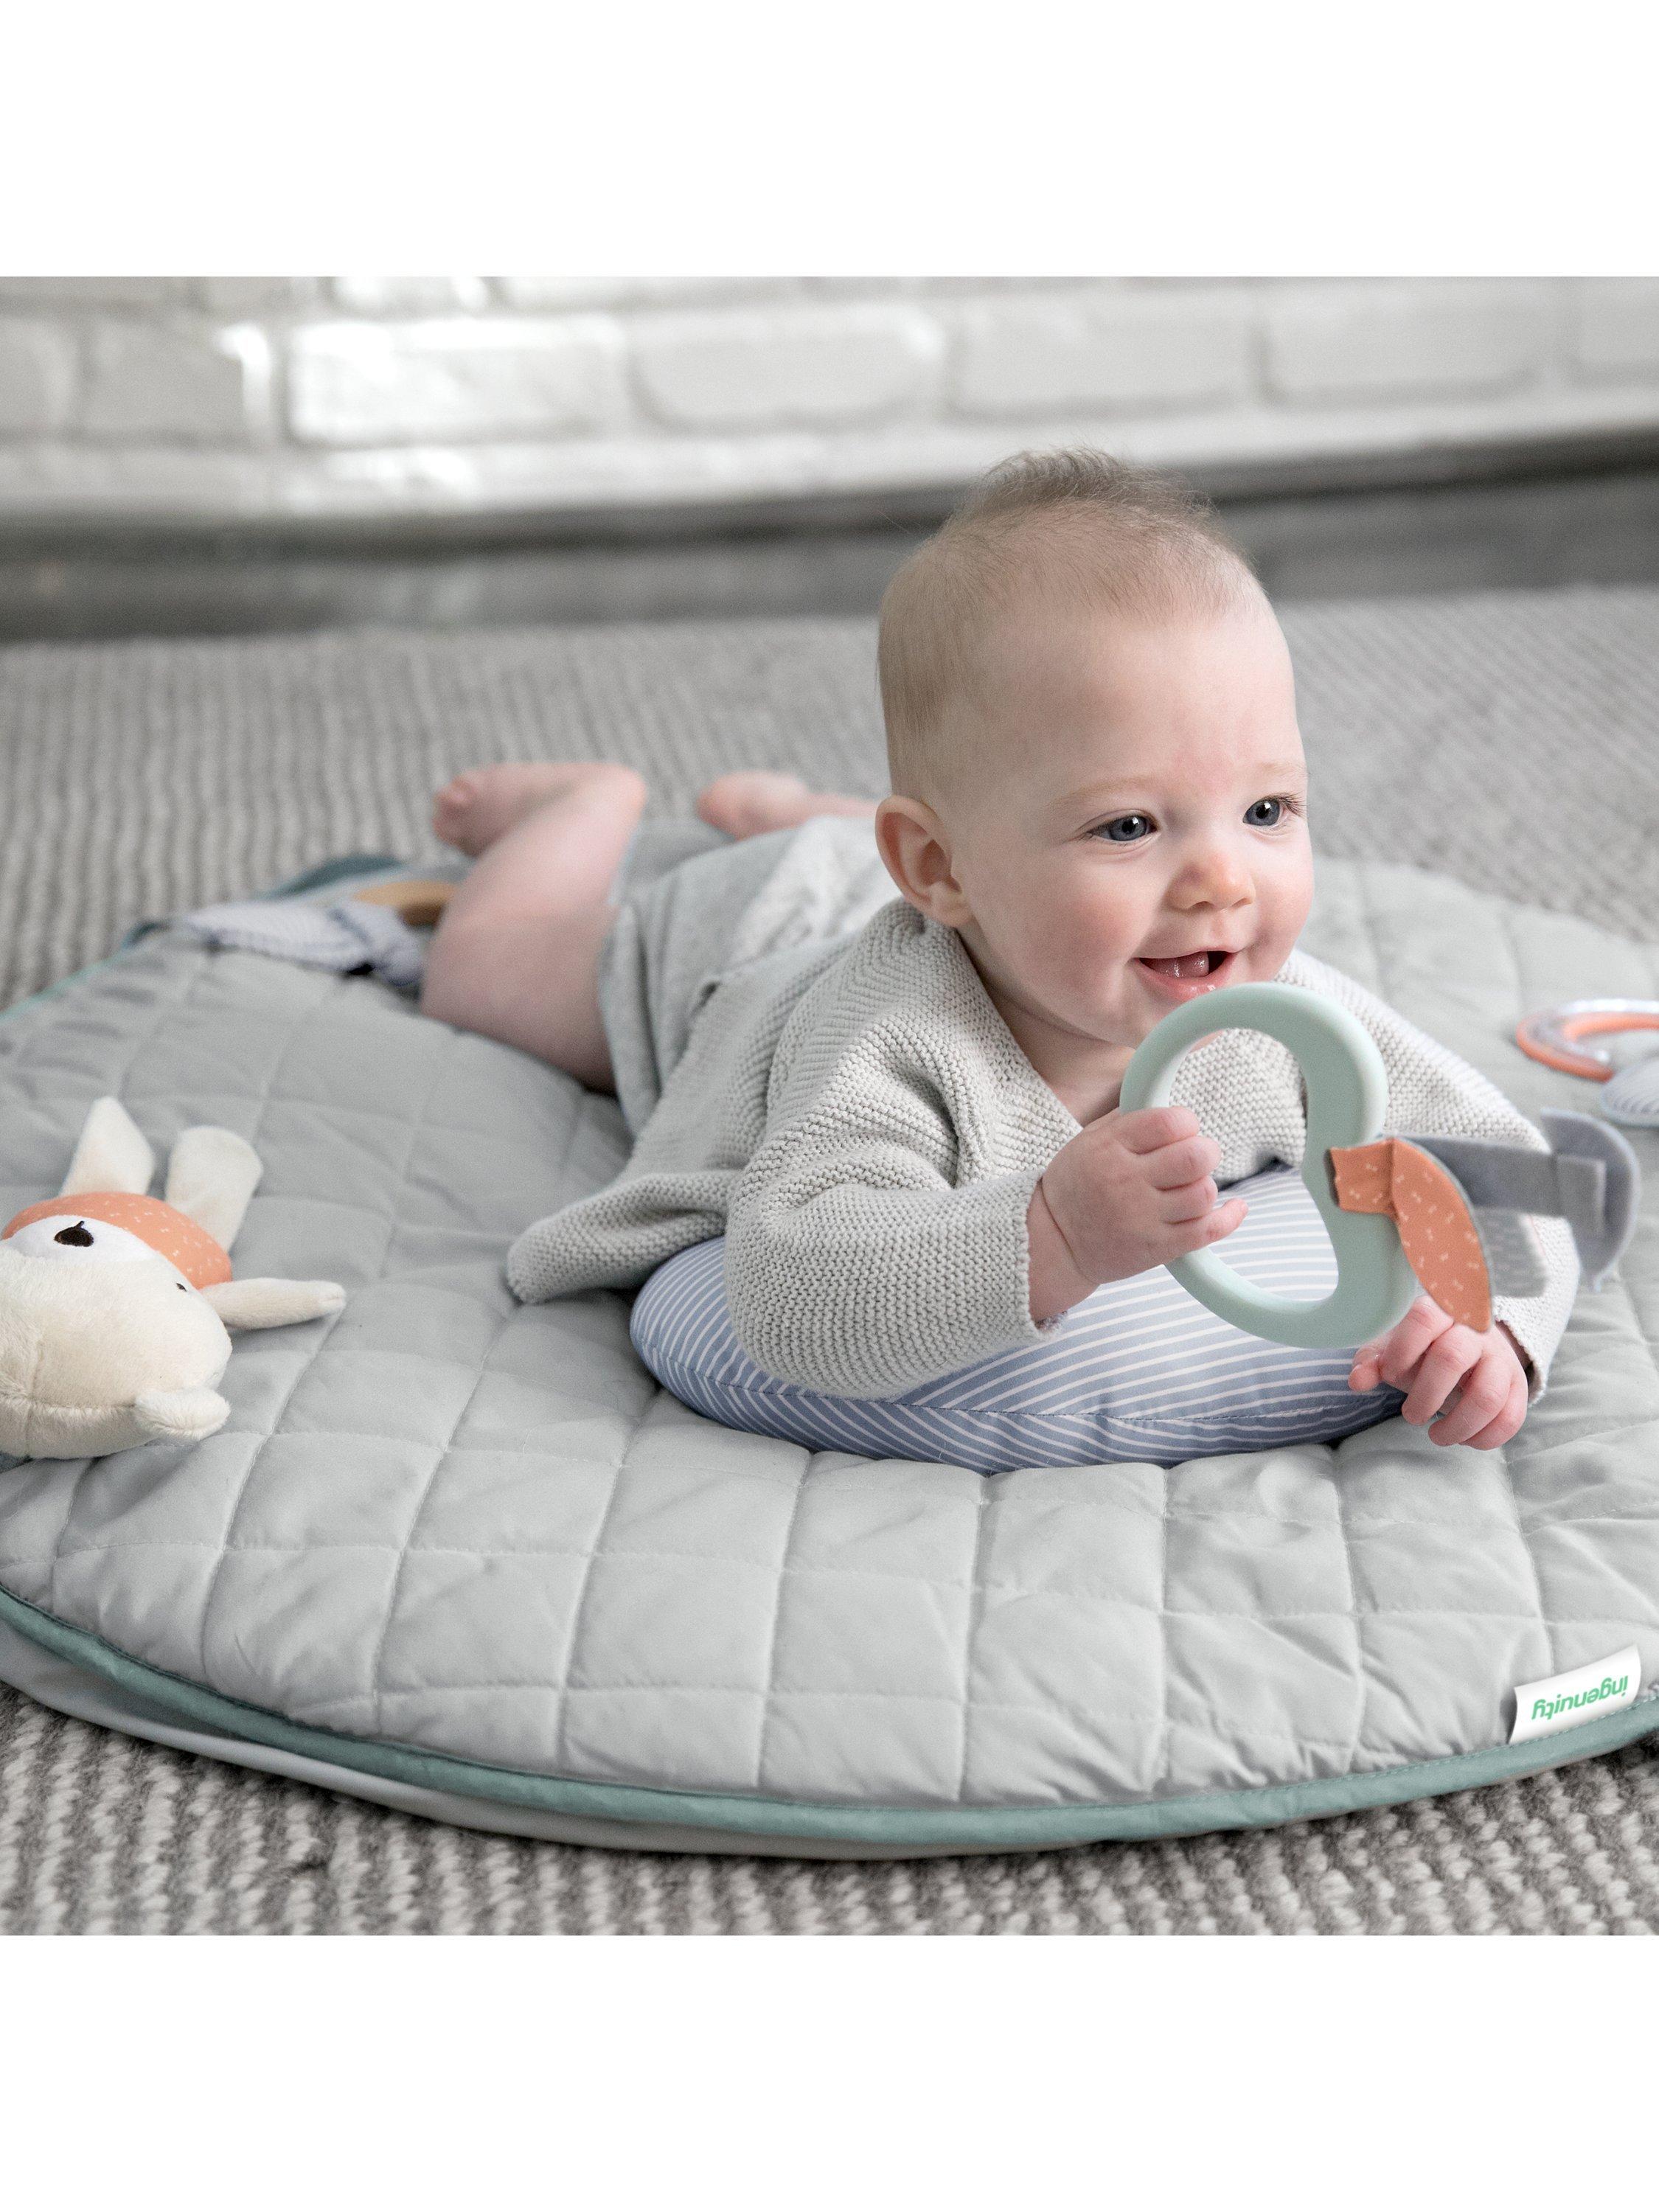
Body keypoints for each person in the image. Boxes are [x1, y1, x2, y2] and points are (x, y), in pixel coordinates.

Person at [418, 448, 1577, 1468]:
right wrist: (1051, 1237)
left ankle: (795, 808)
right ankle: (582, 804)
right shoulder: (894, 1046)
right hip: (744, 933)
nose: (1222, 882)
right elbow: (790, 1289)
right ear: (936, 870)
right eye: (1129, 826)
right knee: (484, 977)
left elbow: (1505, 1167)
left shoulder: (1287, 1020)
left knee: (959, 833)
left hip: (921, 871)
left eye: (1265, 810)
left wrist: (1493, 1323)